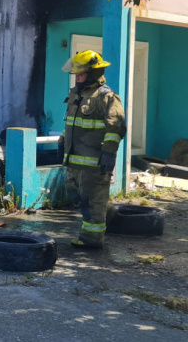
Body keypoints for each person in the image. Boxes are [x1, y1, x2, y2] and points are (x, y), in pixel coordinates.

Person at [59, 50, 126, 249]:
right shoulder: (76, 94)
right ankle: (110, 215)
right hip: (74, 160)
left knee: (90, 202)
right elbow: (71, 123)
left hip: (94, 163)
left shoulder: (107, 97)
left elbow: (116, 127)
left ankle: (91, 240)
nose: (77, 78)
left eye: (81, 74)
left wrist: (109, 152)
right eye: (76, 74)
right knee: (75, 196)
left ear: (94, 73)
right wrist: (62, 142)